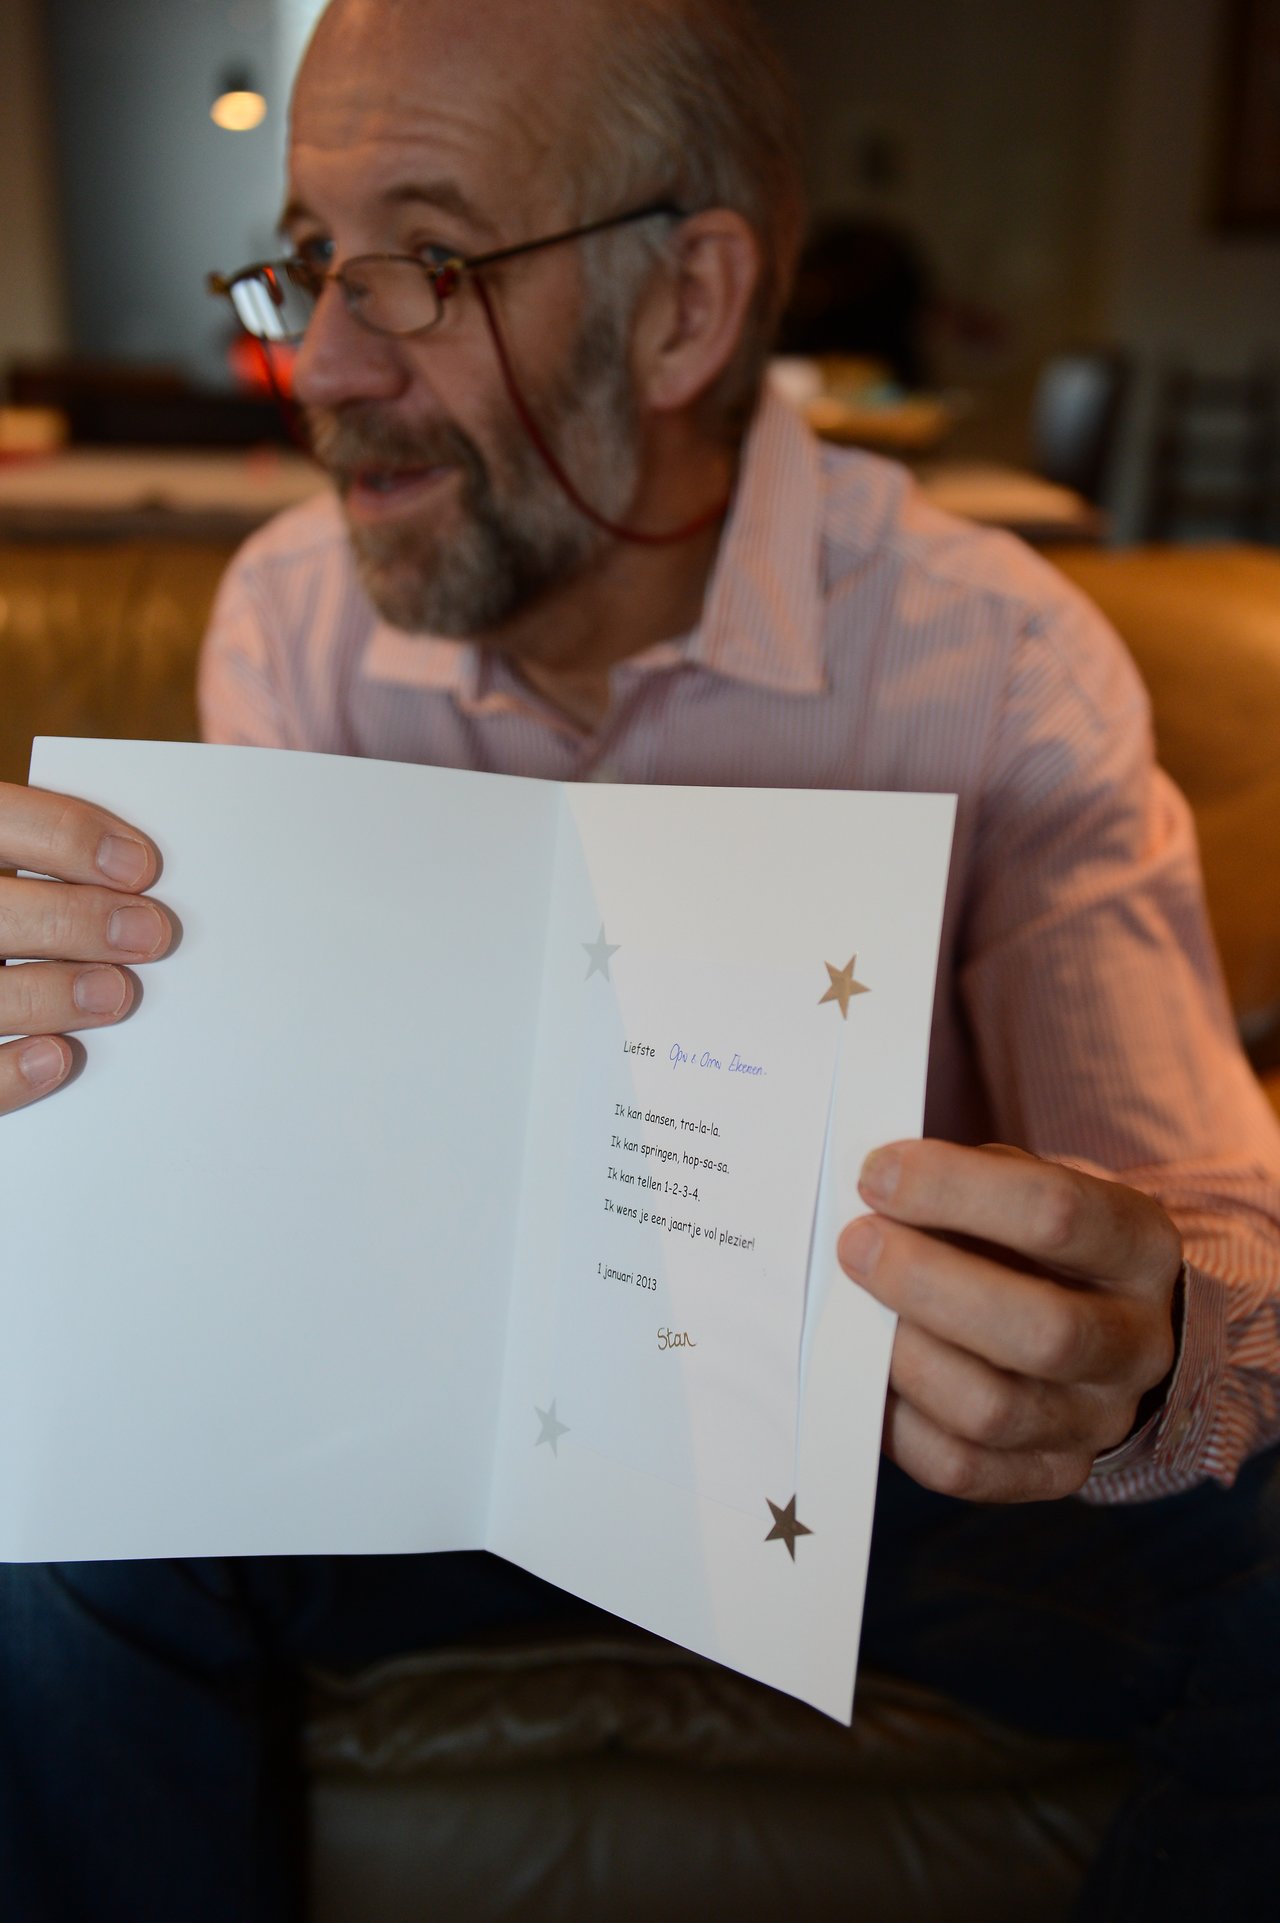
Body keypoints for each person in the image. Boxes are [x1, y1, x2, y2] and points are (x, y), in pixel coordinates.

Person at [1, 1, 1277, 1917]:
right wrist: (70, 1089)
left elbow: (1226, 1241)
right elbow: (243, 1214)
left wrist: (1142, 1341)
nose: (319, 358)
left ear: (686, 309)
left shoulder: (1001, 659)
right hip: (403, 1443)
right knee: (34, 1498)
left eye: (428, 263)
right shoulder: (291, 615)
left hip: (870, 1471)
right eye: (313, 257)